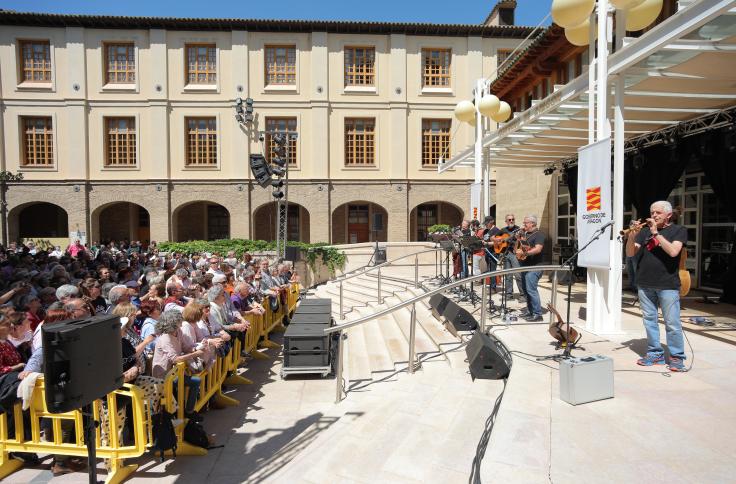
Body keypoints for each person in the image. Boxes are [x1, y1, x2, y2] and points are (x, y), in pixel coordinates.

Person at [625, 200, 688, 372]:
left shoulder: (678, 230)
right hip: (645, 283)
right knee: (649, 321)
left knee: (672, 323)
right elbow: (631, 253)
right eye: (652, 212)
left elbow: (674, 251)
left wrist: (656, 234)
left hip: (667, 284)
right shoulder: (644, 231)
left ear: (668, 214)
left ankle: (677, 357)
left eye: (658, 213)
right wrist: (631, 235)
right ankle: (655, 354)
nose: (653, 215)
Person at [516, 215, 546, 322]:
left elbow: (538, 249)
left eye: (526, 223)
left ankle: (538, 314)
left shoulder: (539, 234)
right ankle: (530, 311)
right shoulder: (526, 235)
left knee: (531, 290)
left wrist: (525, 253)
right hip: (526, 266)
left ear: (532, 223)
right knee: (526, 290)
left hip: (535, 266)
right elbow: (521, 246)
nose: (524, 224)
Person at [493, 214, 524, 300]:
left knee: (518, 275)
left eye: (512, 219)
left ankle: (522, 295)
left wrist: (518, 238)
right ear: (506, 221)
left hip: (515, 254)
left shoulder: (519, 229)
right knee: (508, 276)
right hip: (506, 254)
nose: (511, 221)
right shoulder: (503, 230)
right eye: (509, 220)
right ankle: (509, 294)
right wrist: (499, 240)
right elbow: (493, 238)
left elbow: (524, 241)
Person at [481, 216, 501, 291]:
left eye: (487, 223)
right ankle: (491, 284)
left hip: (493, 253)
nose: (486, 225)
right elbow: (484, 239)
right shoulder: (486, 231)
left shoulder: (497, 230)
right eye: (485, 223)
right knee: (489, 269)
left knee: (493, 270)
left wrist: (488, 243)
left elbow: (498, 242)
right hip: (487, 252)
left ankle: (493, 287)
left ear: (491, 222)